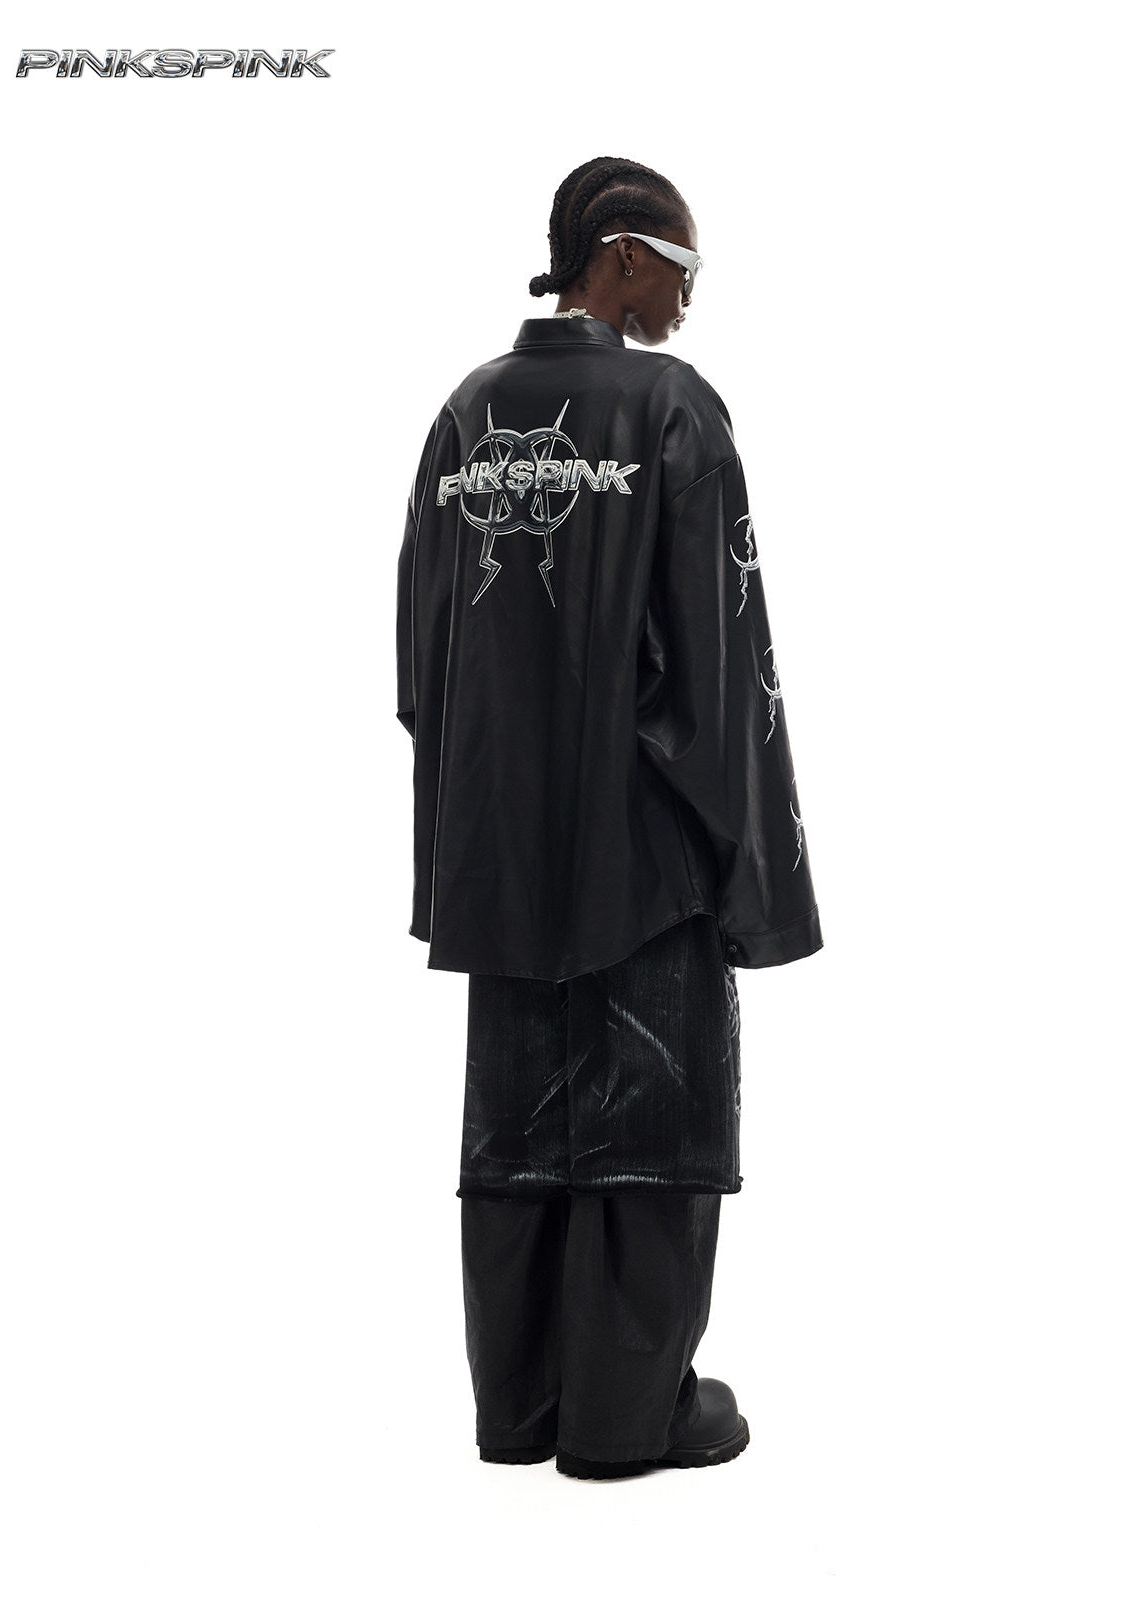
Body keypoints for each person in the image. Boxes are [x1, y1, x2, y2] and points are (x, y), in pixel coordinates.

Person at [395, 156, 823, 1480]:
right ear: (624, 254)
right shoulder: (672, 408)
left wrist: (469, 823)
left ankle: (520, 1410)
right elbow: (719, 662)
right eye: (683, 269)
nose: (689, 299)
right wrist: (751, 874)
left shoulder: (466, 412)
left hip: (501, 851)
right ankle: (631, 1419)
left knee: (517, 1117)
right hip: (645, 851)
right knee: (650, 1111)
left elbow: (418, 658)